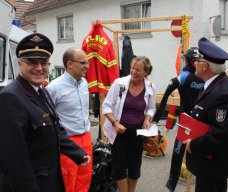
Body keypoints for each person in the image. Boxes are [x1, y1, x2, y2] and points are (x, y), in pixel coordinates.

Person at [0, 33, 90, 192]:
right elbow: (14, 159)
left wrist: (76, 153)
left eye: (44, 63)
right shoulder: (10, 97)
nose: (39, 68)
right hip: (31, 184)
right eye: (32, 62)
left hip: (49, 180)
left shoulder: (42, 92)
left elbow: (56, 127)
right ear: (20, 64)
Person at [183, 37, 228, 192]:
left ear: (205, 66)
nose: (194, 63)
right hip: (211, 164)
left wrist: (192, 145)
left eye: (197, 60)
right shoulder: (219, 85)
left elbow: (220, 135)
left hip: (213, 165)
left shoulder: (221, 92)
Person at [152, 47, 204, 192]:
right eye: (197, 60)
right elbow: (165, 97)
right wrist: (155, 121)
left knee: (187, 159)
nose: (199, 63)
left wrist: (155, 121)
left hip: (193, 124)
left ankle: (173, 188)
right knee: (178, 159)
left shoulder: (191, 77)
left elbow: (164, 98)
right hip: (190, 124)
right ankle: (172, 188)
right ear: (192, 61)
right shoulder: (189, 77)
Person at [102, 56, 156, 192]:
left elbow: (151, 108)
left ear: (146, 72)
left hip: (137, 134)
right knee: (119, 168)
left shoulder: (150, 87)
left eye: (138, 70)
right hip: (118, 132)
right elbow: (106, 106)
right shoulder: (119, 83)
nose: (133, 72)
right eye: (132, 68)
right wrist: (115, 123)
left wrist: (147, 119)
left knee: (134, 168)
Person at [46, 48, 92, 192]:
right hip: (68, 142)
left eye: (87, 62)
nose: (87, 66)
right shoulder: (54, 87)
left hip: (86, 137)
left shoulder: (84, 83)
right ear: (70, 64)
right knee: (68, 181)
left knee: (84, 179)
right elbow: (47, 117)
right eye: (83, 62)